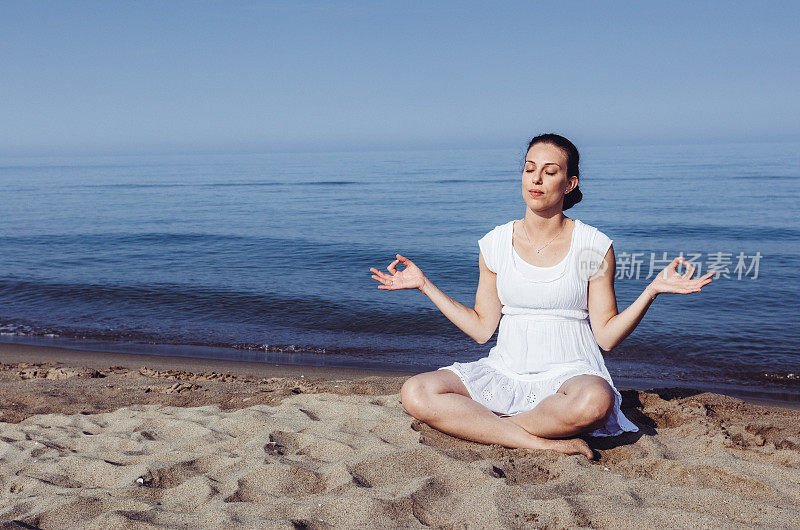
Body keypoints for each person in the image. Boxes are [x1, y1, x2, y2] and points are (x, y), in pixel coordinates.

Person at [369, 133, 716, 459]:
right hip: (505, 370)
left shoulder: (593, 245)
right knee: (415, 391)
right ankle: (536, 441)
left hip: (571, 376)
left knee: (596, 401)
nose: (536, 179)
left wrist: (651, 291)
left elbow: (607, 337)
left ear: (569, 184)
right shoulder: (494, 244)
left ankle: (487, 427)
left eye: (550, 172)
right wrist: (424, 285)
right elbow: (480, 328)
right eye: (529, 169)